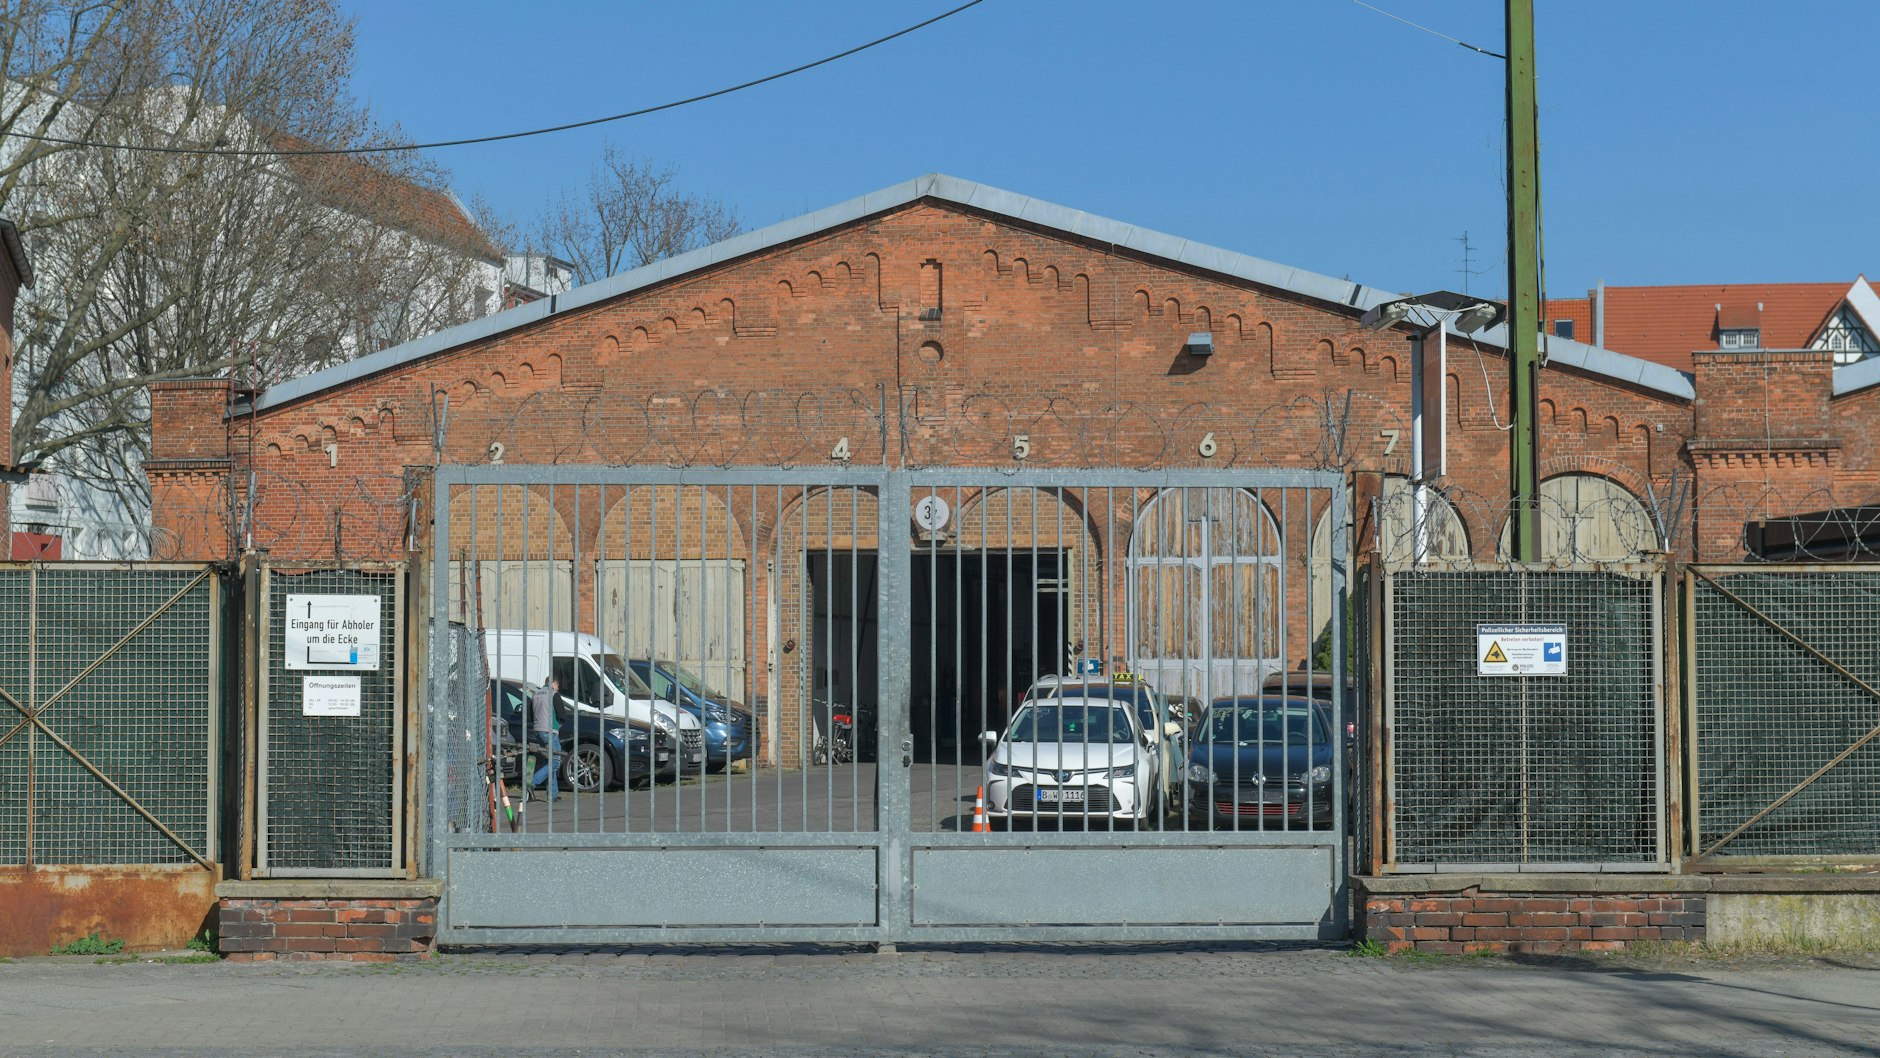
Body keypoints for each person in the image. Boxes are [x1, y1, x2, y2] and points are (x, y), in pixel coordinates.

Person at [527, 675, 561, 803]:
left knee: (549, 762)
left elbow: (530, 716)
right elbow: (562, 714)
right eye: (557, 685)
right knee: (555, 762)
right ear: (553, 683)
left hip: (538, 731)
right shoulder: (553, 694)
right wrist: (559, 724)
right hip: (550, 731)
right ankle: (532, 783)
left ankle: (553, 794)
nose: (558, 688)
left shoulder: (536, 694)